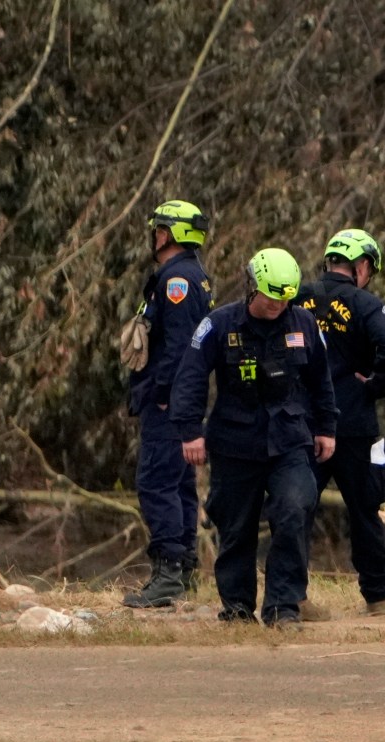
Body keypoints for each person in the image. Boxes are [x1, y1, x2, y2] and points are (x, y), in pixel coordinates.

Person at [168, 248, 337, 631]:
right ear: (252, 287)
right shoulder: (218, 325)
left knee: (295, 509)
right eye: (271, 296)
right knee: (235, 526)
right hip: (234, 442)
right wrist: (190, 431)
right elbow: (191, 377)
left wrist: (327, 428)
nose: (278, 304)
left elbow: (321, 381)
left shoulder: (305, 325)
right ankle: (238, 608)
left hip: (289, 441)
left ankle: (283, 607)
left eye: (285, 297)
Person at [297, 229, 385, 614]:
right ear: (362, 266)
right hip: (355, 423)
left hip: (305, 424)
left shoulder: (298, 297)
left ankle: (292, 597)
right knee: (365, 511)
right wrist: (376, 385)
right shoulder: (366, 304)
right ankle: (379, 596)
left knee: (298, 508)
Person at [123, 200, 214, 610]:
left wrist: (163, 396)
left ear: (169, 233)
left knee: (156, 483)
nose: (153, 235)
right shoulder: (190, 275)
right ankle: (185, 570)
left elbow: (179, 348)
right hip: (181, 401)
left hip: (169, 403)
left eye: (158, 228)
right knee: (179, 484)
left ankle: (168, 575)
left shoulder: (177, 281)